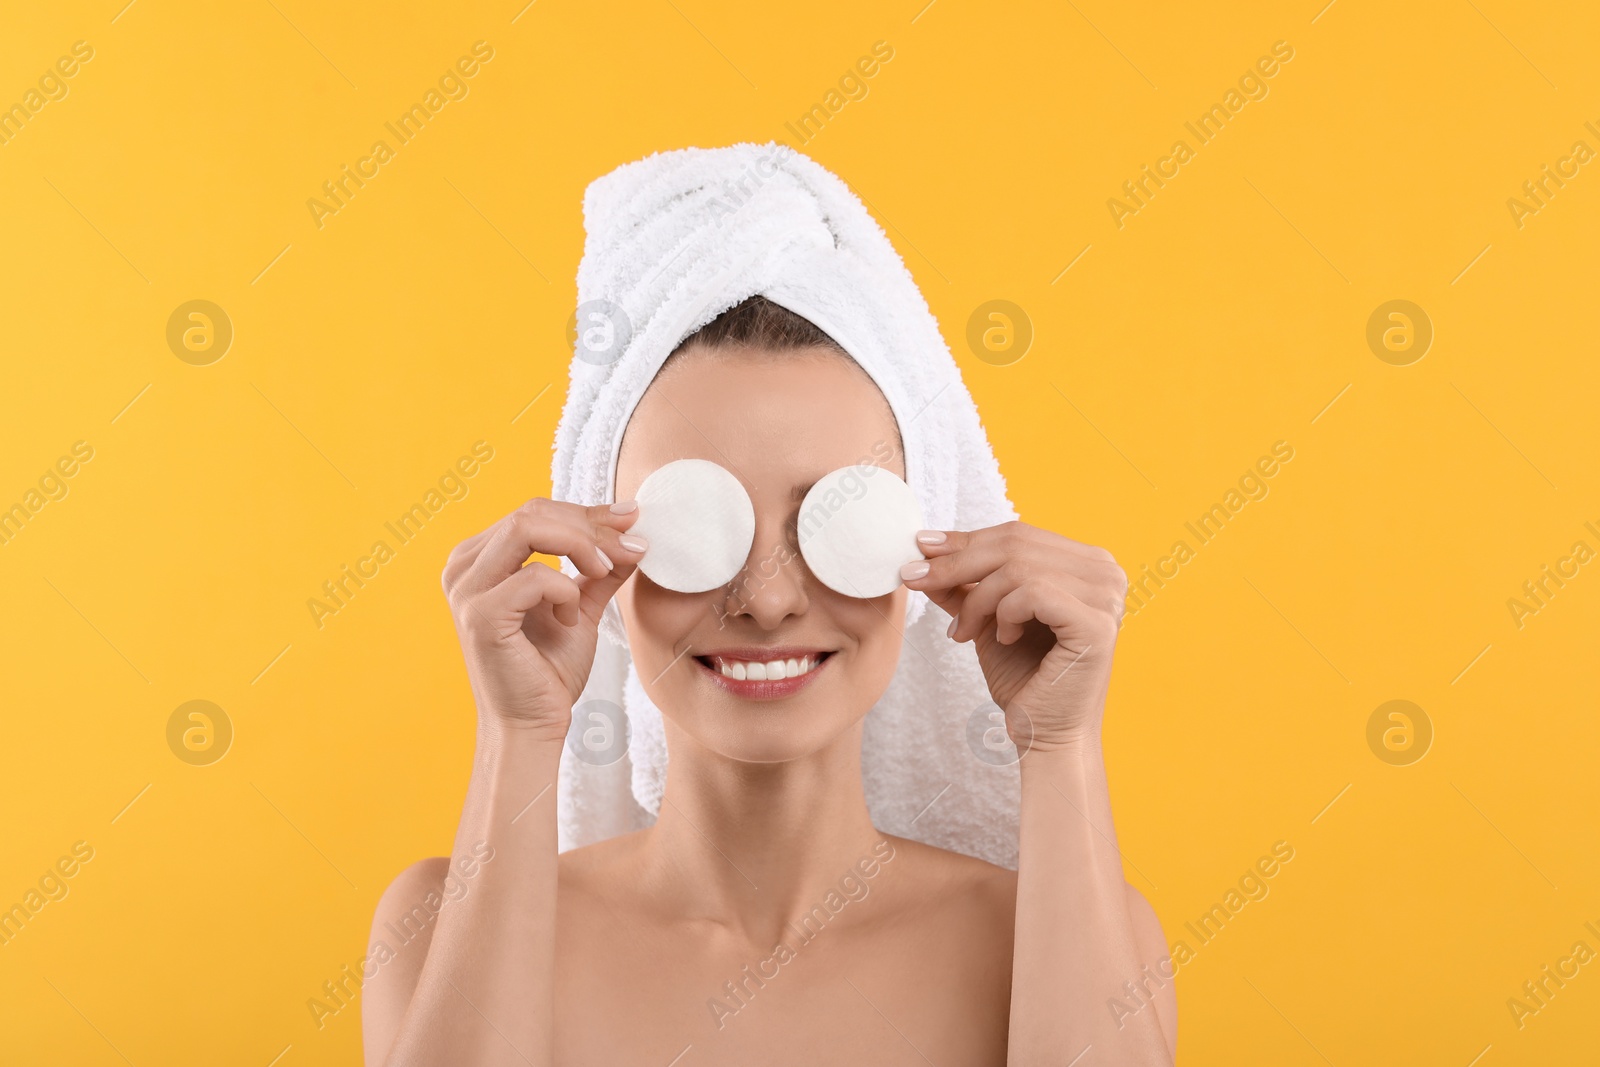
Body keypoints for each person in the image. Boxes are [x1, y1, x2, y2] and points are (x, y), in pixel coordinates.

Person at [363, 147, 1176, 1067]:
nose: (767, 599)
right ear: (599, 551)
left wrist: (1060, 747)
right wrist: (519, 736)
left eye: (836, 514)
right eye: (696, 519)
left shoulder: (1065, 946)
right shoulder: (440, 929)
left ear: (927, 543)